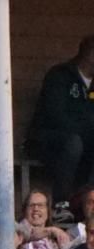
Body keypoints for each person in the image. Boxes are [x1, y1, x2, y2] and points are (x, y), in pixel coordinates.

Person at [31, 37, 94, 209]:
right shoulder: (60, 75)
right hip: (49, 140)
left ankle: (89, 203)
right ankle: (61, 204)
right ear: (90, 54)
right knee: (73, 142)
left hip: (85, 143)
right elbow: (55, 116)